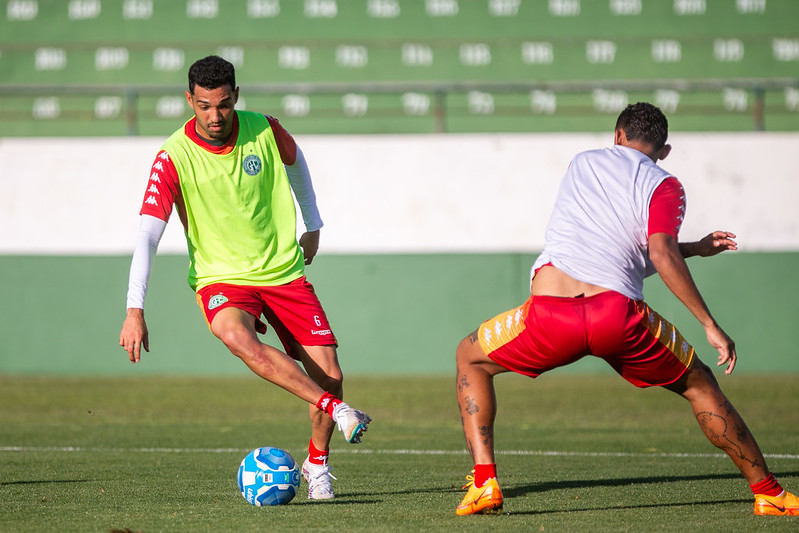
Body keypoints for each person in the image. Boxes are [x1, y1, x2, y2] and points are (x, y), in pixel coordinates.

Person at [454, 102, 798, 516]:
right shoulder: (666, 185)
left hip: (549, 314)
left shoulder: (582, 163)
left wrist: (693, 250)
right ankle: (770, 493)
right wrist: (710, 323)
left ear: (617, 135)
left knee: (468, 357)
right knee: (700, 385)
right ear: (664, 150)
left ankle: (484, 483)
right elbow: (658, 252)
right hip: (617, 318)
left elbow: (618, 245)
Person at [118, 55, 371, 501]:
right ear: (189, 100)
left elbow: (297, 161)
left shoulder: (265, 129)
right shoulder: (172, 156)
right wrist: (134, 309)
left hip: (281, 272)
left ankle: (317, 466)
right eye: (203, 106)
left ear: (235, 95)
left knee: (330, 373)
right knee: (236, 337)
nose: (214, 117)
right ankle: (337, 409)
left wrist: (312, 223)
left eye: (222, 105)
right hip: (222, 278)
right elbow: (147, 235)